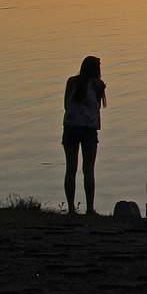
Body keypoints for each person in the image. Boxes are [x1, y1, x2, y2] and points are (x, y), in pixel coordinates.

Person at [62, 55, 107, 214]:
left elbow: (65, 104)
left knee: (70, 169)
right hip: (88, 129)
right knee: (88, 170)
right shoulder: (98, 84)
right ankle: (89, 208)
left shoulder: (71, 82)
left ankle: (71, 209)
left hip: (70, 127)